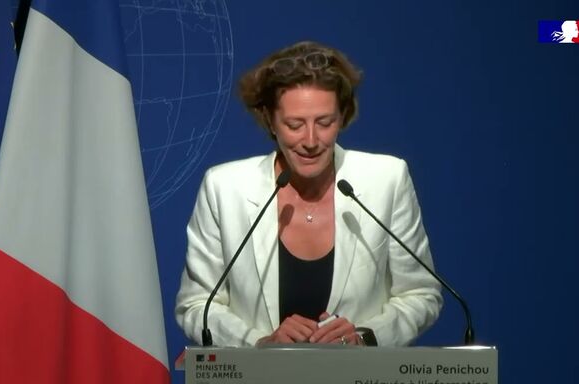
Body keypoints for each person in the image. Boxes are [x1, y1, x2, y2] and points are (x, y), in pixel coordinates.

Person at [175, 40, 442, 348]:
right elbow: (195, 306)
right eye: (295, 125)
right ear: (270, 120)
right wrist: (259, 344)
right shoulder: (225, 188)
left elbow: (421, 294)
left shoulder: (386, 179)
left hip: (359, 378)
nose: (311, 140)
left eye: (325, 123)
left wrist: (365, 337)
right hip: (260, 378)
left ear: (342, 117)